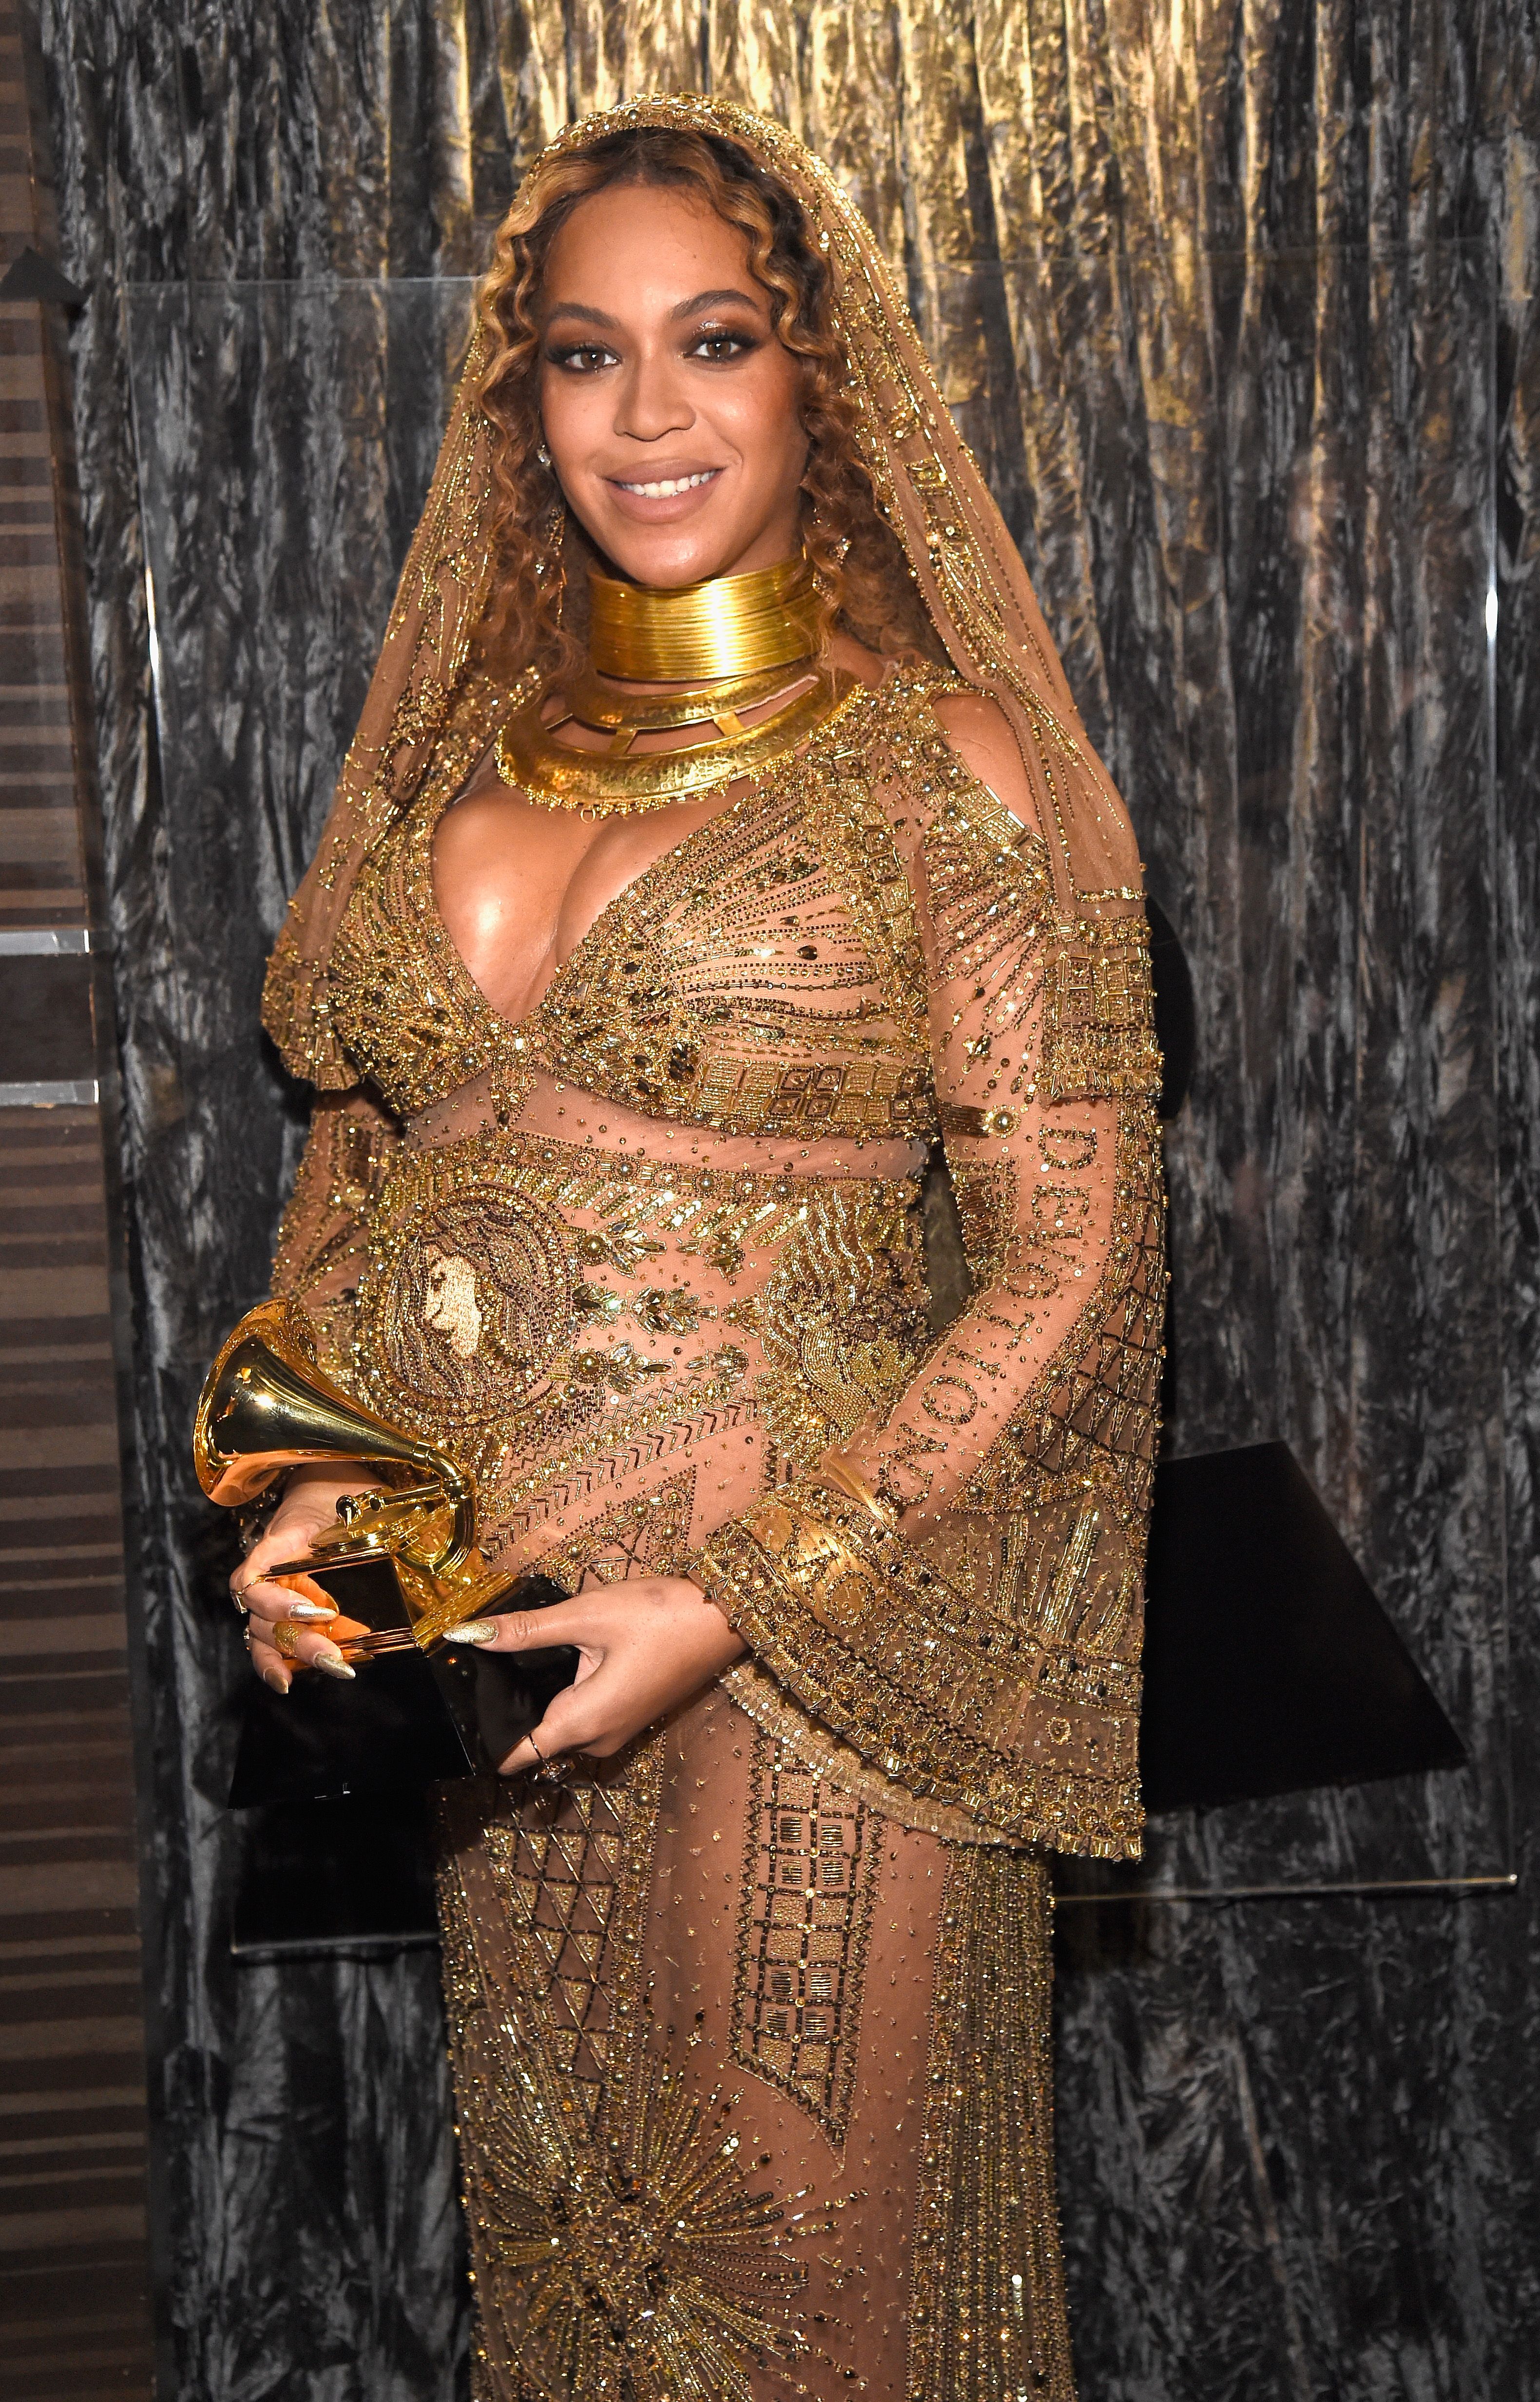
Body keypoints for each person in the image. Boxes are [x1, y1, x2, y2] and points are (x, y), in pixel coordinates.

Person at [228, 94, 1164, 2402]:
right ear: (524, 401)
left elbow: (1072, 1261)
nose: (646, 412)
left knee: (807, 2317)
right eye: (585, 353)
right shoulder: (445, 770)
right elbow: (349, 1200)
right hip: (503, 1657)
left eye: (713, 340)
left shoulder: (942, 765)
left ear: (813, 381)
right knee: (582, 2293)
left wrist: (746, 1592)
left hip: (817, 1655)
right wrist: (315, 1490)